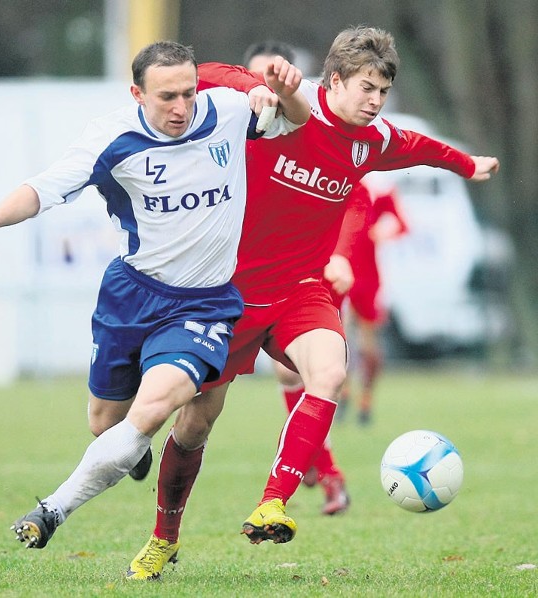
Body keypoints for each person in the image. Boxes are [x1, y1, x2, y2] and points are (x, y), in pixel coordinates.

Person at [126, 26, 500, 581]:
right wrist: (205, 87)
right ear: (337, 80)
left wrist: (468, 165)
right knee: (195, 426)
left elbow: (424, 150)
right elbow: (201, 75)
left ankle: (273, 501)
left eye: (383, 93)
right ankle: (164, 537)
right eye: (367, 89)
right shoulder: (279, 109)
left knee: (328, 371)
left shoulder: (373, 141)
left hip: (302, 290)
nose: (375, 102)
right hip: (230, 296)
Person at [0, 41, 309, 551]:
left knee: (155, 409)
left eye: (188, 93)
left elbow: (296, 120)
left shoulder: (226, 111)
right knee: (104, 423)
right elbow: (45, 188)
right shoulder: (112, 137)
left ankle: (52, 510)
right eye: (166, 97)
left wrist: (285, 96)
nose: (181, 107)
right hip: (131, 295)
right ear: (137, 93)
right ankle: (129, 448)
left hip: (204, 304)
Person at [245, 39, 352, 516]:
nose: (262, 90)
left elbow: (357, 196)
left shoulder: (324, 132)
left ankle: (324, 475)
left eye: (271, 79)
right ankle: (317, 468)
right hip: (243, 280)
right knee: (197, 408)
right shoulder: (232, 131)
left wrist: (342, 254)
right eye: (253, 80)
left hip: (309, 277)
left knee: (307, 374)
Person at [338, 185, 408, 425]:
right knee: (340, 340)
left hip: (368, 279)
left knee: (368, 345)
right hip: (341, 272)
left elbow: (402, 225)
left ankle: (365, 401)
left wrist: (385, 232)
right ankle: (343, 393)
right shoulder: (344, 182)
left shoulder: (381, 190)